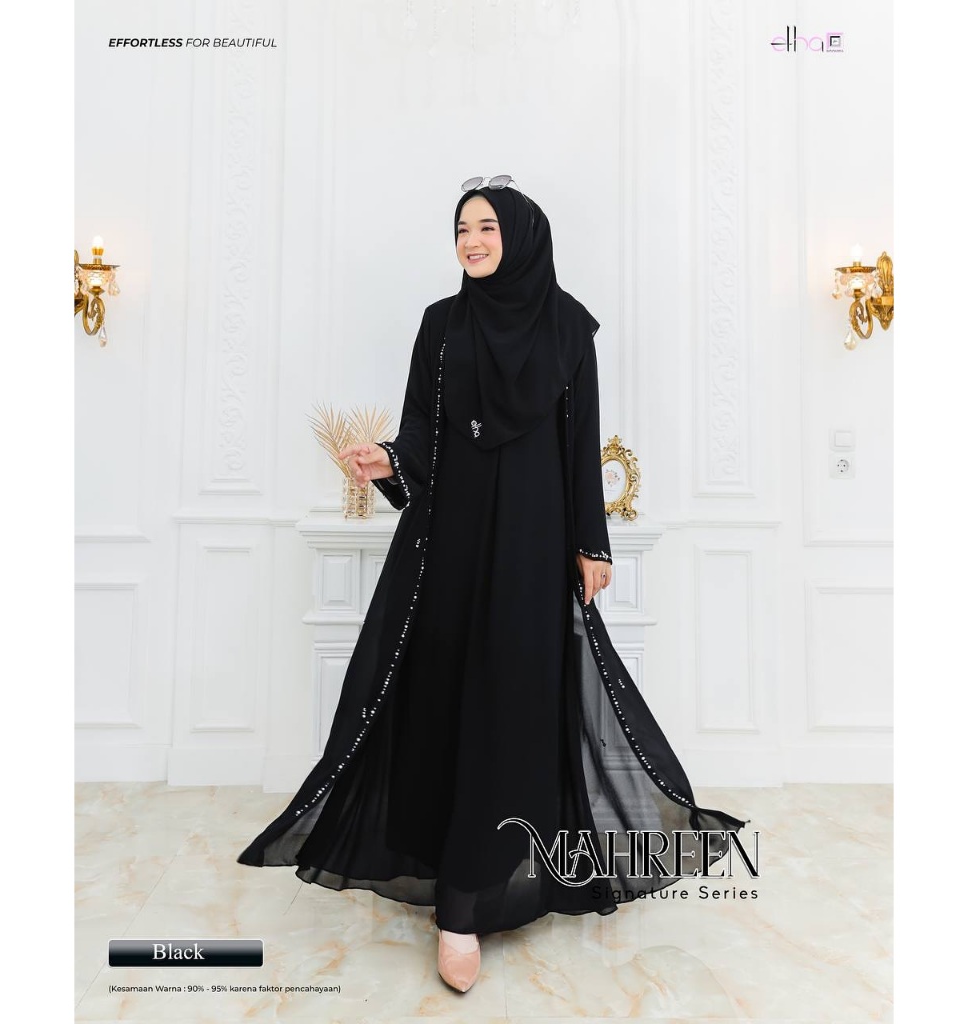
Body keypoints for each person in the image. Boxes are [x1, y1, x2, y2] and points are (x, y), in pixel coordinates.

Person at [238, 175, 747, 994]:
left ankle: (473, 892)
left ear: (520, 235)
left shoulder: (567, 327)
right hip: (446, 541)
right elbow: (420, 429)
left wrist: (591, 542)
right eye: (462, 229)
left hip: (532, 544)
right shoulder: (441, 325)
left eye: (486, 227)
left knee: (511, 703)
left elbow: (579, 442)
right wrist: (387, 461)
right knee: (443, 696)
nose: (471, 241)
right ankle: (453, 876)